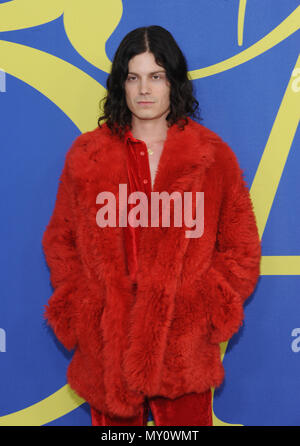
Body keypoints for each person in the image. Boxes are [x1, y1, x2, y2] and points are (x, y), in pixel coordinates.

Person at [41, 25, 261, 426]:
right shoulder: (87, 156)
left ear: (172, 81)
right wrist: (85, 308)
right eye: (133, 77)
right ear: (120, 85)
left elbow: (241, 247)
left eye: (155, 76)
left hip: (182, 351)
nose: (144, 89)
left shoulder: (212, 157)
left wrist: (204, 306)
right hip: (110, 352)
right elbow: (61, 241)